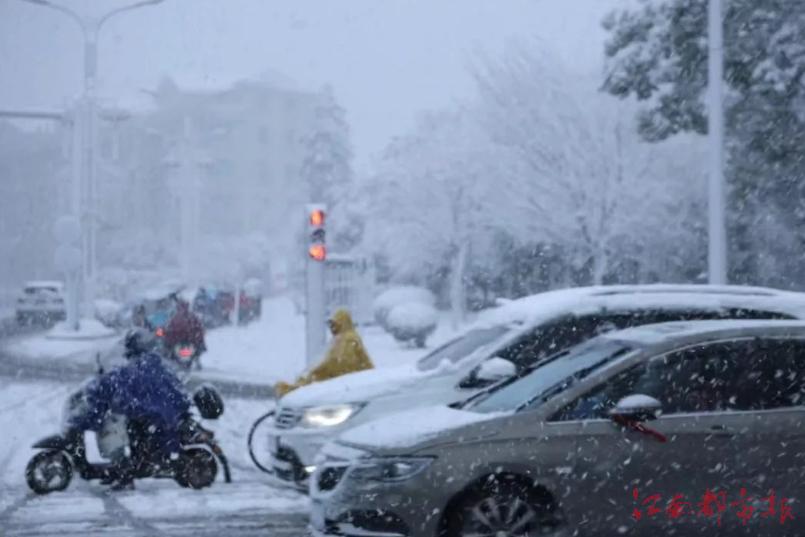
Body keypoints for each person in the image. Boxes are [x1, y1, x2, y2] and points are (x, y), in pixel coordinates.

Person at [70, 329, 190, 490]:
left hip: (156, 415)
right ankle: (121, 470)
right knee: (126, 426)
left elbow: (120, 379)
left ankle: (123, 473)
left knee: (114, 430)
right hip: (156, 413)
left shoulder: (144, 364)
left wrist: (100, 386)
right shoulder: (152, 362)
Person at [275, 308, 374, 397]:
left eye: (334, 324)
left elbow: (339, 364)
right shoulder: (342, 338)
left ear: (342, 323)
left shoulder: (348, 338)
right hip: (354, 382)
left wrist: (317, 373)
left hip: (354, 385)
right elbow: (333, 362)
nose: (332, 328)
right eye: (331, 325)